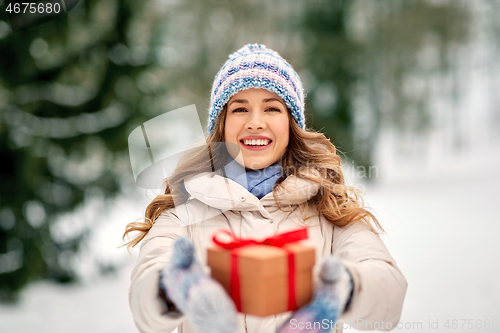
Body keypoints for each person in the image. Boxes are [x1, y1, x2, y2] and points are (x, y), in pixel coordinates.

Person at [123, 43, 407, 333]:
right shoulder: (183, 214)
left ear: (291, 123)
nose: (255, 122)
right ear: (220, 125)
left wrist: (345, 290)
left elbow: (388, 295)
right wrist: (172, 287)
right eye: (239, 108)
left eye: (272, 108)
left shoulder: (327, 209)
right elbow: (144, 302)